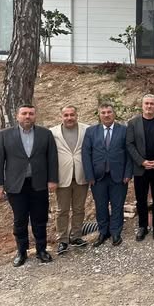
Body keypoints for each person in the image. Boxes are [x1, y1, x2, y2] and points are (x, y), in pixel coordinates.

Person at [0, 104, 59, 267]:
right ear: (17, 116)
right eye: (24, 113)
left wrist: (52, 179)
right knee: (20, 220)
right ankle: (21, 252)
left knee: (40, 218)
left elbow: (52, 158)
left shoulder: (45, 134)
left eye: (31, 113)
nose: (27, 116)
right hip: (16, 185)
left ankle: (41, 250)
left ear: (35, 116)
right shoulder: (4, 135)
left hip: (39, 184)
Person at [82, 102, 133, 248]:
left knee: (117, 205)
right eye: (103, 112)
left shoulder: (124, 130)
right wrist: (89, 176)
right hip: (98, 178)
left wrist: (128, 173)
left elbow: (129, 153)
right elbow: (86, 154)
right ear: (99, 115)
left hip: (119, 176)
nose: (106, 115)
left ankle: (116, 232)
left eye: (109, 112)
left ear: (114, 113)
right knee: (101, 206)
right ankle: (103, 232)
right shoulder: (91, 131)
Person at [126, 94, 154, 242]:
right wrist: (141, 161)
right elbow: (130, 144)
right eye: (146, 103)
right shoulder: (133, 123)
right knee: (141, 199)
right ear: (142, 105)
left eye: (152, 104)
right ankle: (143, 226)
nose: (149, 106)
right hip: (141, 169)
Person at [50, 105, 90, 255]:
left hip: (81, 176)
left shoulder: (87, 129)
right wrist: (51, 178)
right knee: (62, 210)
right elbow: (49, 156)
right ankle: (62, 240)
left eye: (72, 115)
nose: (69, 118)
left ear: (76, 115)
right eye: (66, 115)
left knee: (79, 209)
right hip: (62, 177)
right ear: (61, 117)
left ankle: (76, 236)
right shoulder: (53, 132)